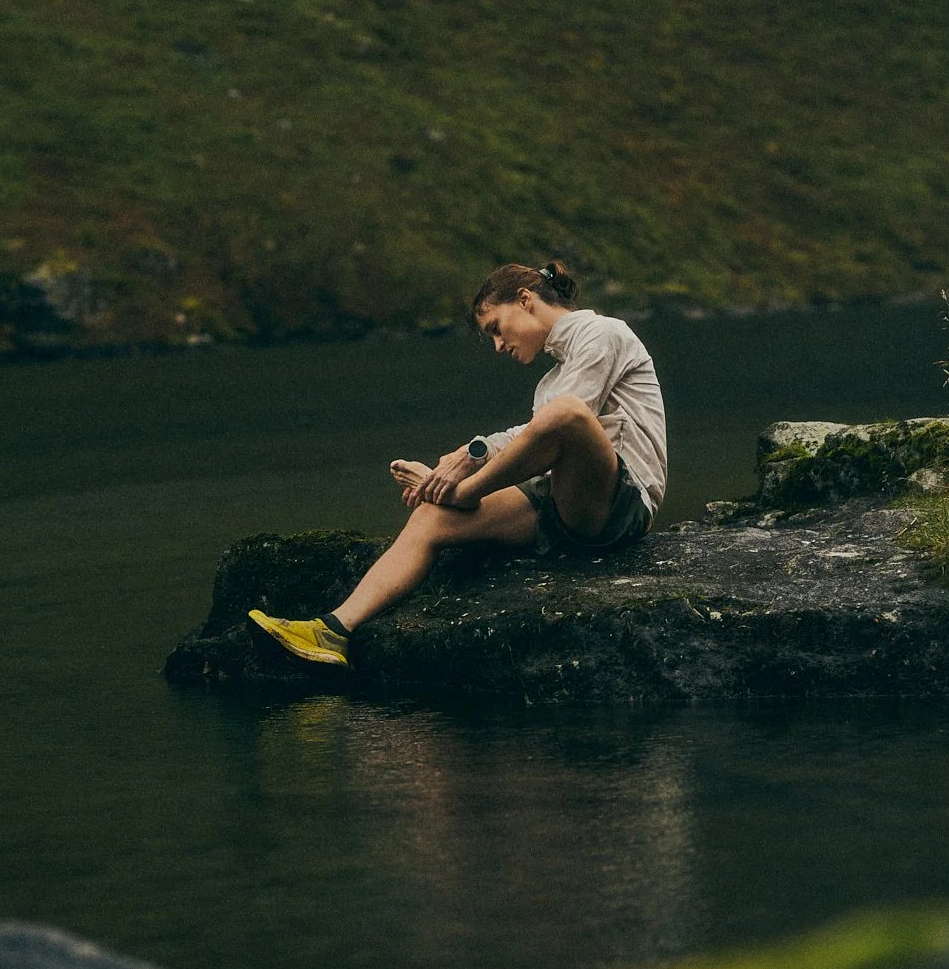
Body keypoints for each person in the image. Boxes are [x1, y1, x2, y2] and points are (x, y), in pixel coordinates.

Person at [248, 260, 668, 668]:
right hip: (563, 505)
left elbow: (564, 422)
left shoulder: (603, 333)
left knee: (567, 415)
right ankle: (333, 631)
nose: (498, 346)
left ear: (525, 300)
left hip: (622, 506)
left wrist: (470, 469)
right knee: (434, 515)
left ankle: (462, 494)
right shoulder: (552, 380)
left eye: (496, 329)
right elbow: (531, 437)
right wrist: (457, 463)